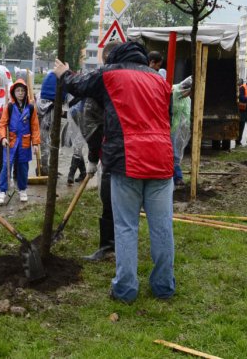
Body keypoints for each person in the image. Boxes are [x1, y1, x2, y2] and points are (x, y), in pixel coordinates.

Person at [55, 41, 175, 304]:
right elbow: (168, 116)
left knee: (126, 227)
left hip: (126, 160)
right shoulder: (159, 80)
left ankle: (125, 288)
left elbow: (78, 84)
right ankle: (164, 286)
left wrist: (64, 72)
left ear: (115, 57)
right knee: (162, 226)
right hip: (161, 160)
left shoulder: (110, 74)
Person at [81, 39, 121, 262]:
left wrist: (93, 157)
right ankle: (120, 246)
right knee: (125, 203)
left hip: (113, 154)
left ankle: (109, 247)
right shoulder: (142, 78)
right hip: (146, 154)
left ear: (105, 59)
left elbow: (91, 125)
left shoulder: (101, 81)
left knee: (109, 199)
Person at [0, 79, 41, 205]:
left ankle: (22, 189)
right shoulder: (9, 107)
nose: (20, 93)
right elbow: (2, 124)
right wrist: (3, 137)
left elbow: (35, 127)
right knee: (6, 166)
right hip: (10, 142)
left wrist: (36, 144)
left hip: (25, 143)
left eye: (22, 90)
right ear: (14, 92)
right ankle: (2, 191)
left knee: (23, 167)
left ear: (26, 92)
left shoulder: (31, 108)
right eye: (18, 90)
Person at [37, 70, 66, 176]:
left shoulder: (41, 98)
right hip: (45, 129)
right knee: (48, 146)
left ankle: (48, 167)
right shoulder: (53, 105)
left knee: (47, 145)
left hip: (44, 129)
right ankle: (45, 169)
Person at [171, 76, 192, 187]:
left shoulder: (187, 98)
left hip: (183, 129)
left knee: (178, 153)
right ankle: (176, 177)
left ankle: (177, 177)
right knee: (174, 154)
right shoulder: (175, 90)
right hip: (173, 128)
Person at [66, 98, 87, 185]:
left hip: (84, 119)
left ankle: (71, 174)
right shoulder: (76, 104)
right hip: (75, 118)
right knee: (77, 149)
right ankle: (83, 172)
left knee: (78, 148)